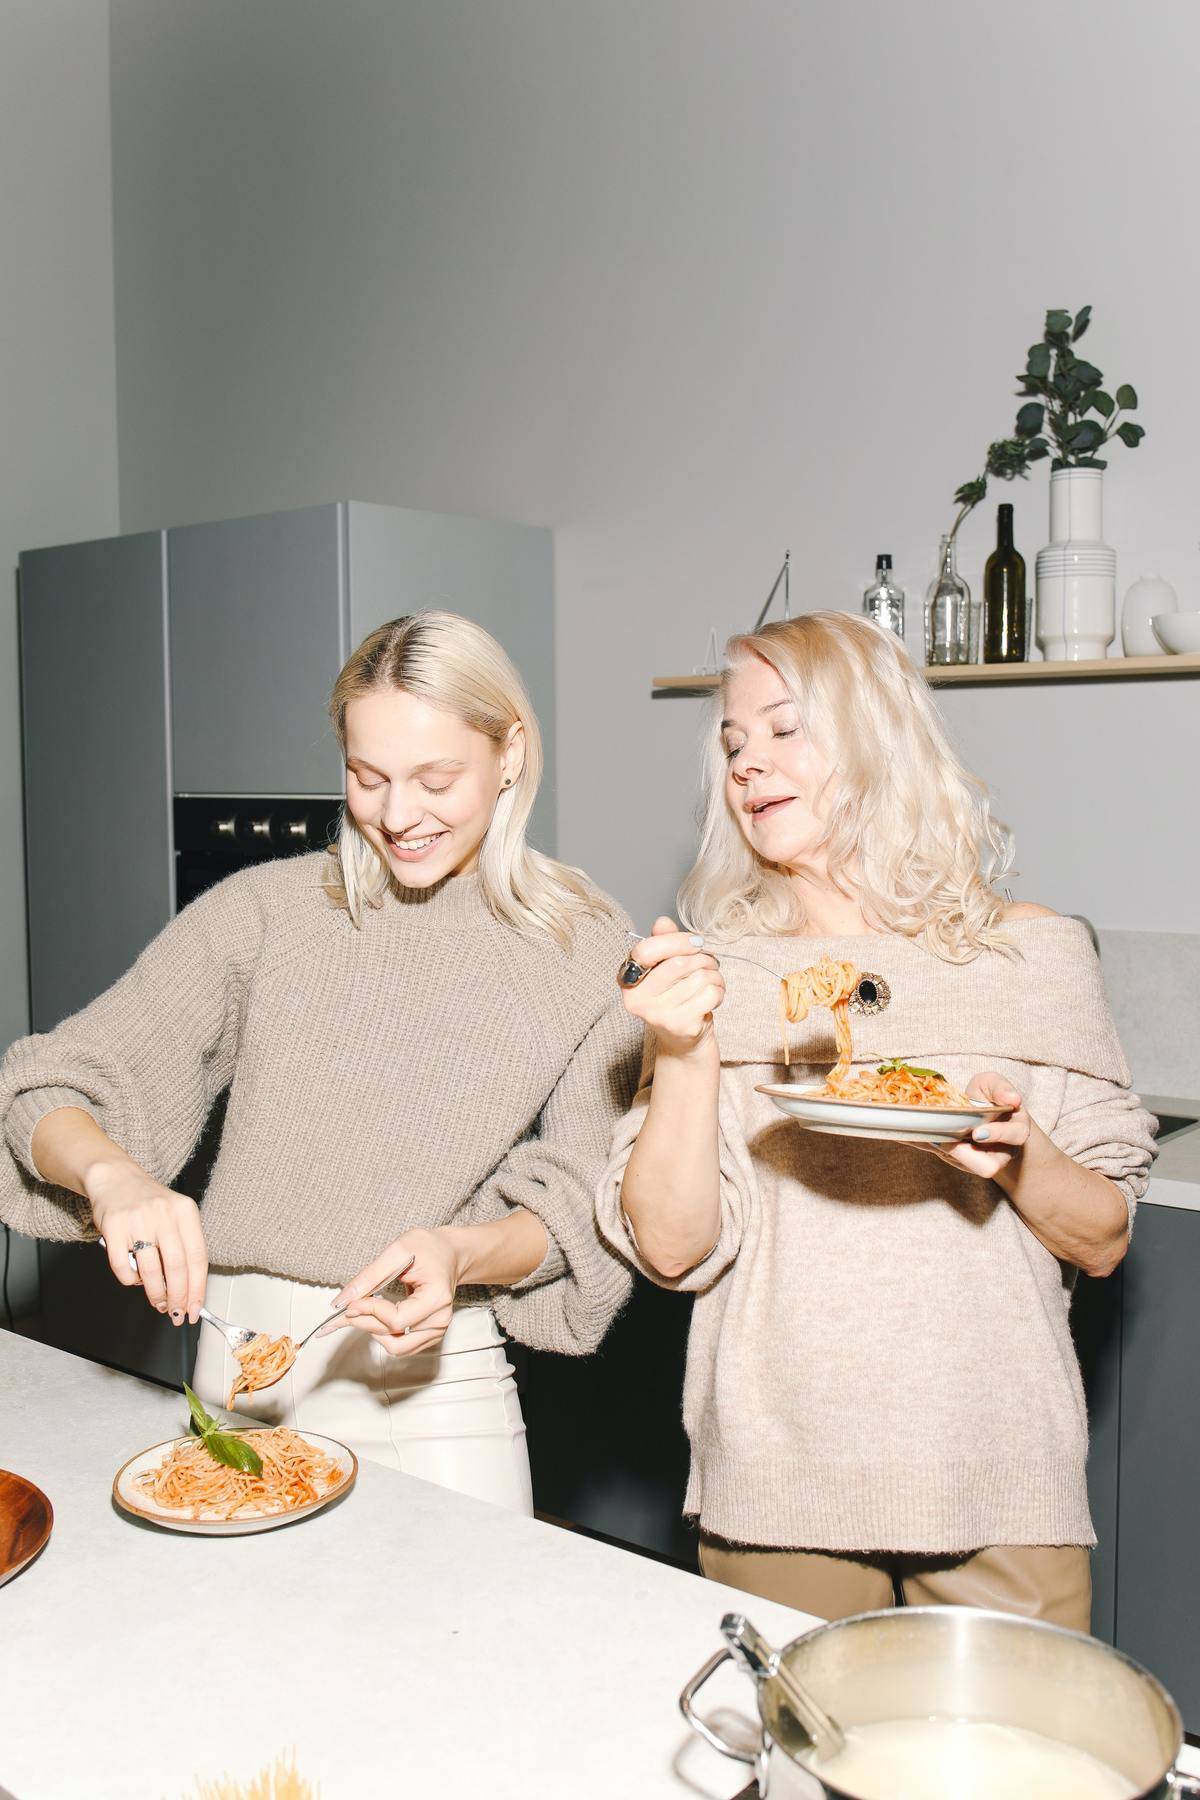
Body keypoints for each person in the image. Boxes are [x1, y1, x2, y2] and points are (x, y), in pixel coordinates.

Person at [1, 611, 640, 1513]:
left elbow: (585, 1200)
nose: (397, 815)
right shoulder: (265, 914)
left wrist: (461, 1254)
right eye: (368, 777)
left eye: (435, 779)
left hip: (438, 1385)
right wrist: (113, 1178)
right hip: (242, 1374)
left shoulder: (586, 945)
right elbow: (49, 1086)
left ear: (511, 755)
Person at [597, 611, 1154, 1628]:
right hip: (779, 1482)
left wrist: (1019, 1155)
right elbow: (673, 1252)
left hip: (1001, 1471)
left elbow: (1106, 1236)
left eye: (783, 728)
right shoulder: (715, 977)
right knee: (808, 1776)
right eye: (732, 743)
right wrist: (682, 1052)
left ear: (875, 739)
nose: (749, 766)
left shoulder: (1031, 958)